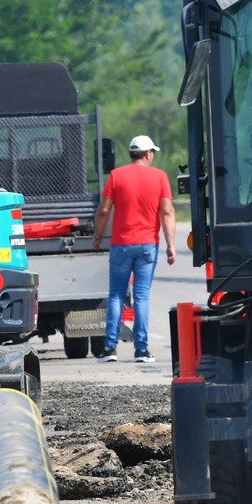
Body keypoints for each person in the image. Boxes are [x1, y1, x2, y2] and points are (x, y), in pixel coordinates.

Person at [90, 133, 177, 364]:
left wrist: (97, 236)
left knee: (116, 295)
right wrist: (170, 245)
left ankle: (109, 349)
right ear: (148, 154)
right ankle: (141, 350)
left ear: (131, 154)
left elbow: (104, 210)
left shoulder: (117, 176)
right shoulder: (160, 177)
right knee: (141, 297)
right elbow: (167, 212)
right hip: (148, 244)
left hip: (121, 245)